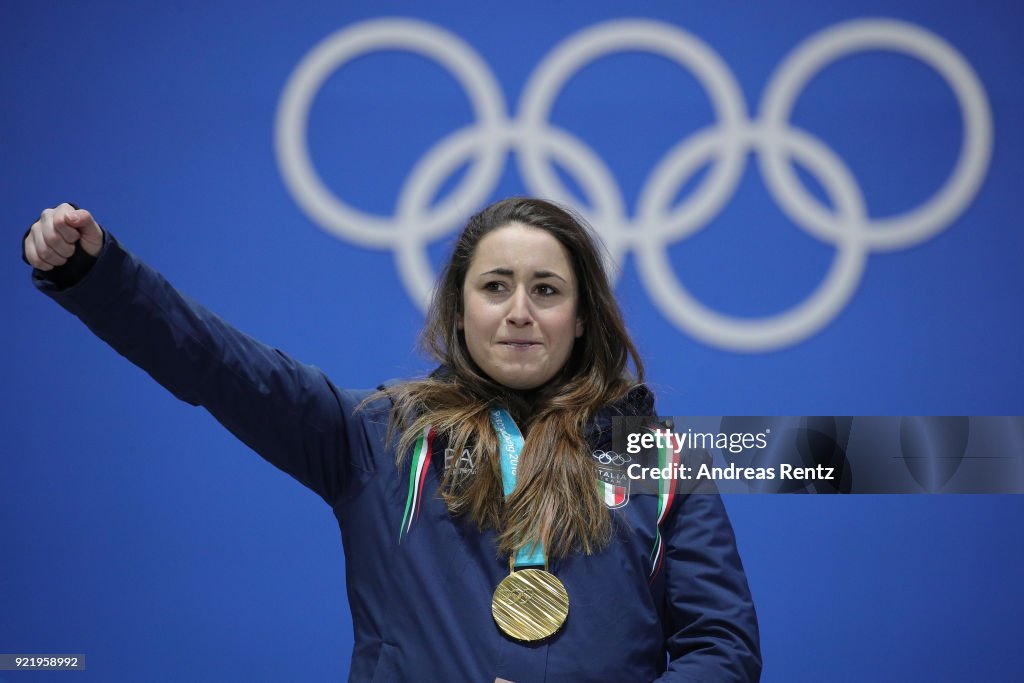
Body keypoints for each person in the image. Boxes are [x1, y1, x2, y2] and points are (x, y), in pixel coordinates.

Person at [23, 198, 762, 682]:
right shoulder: (378, 436)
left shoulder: (659, 456)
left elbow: (722, 649)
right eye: (495, 285)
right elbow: (216, 364)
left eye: (546, 289)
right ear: (460, 306)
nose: (519, 312)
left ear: (582, 315)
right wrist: (98, 276)